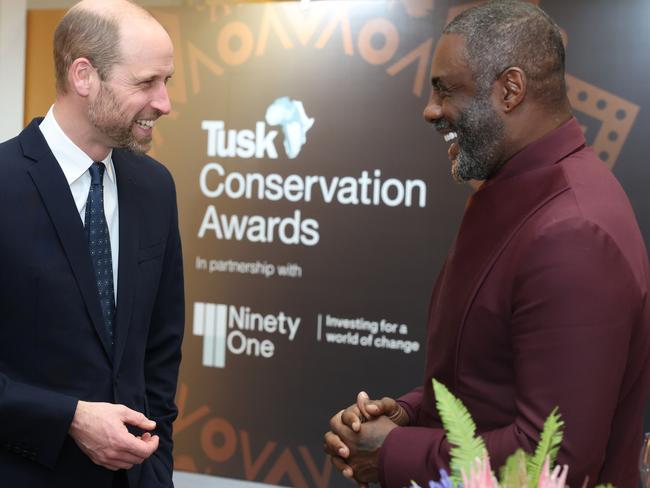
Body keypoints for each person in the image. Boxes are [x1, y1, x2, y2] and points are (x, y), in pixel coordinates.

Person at [324, 2, 650, 487]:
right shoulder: (516, 193)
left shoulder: (573, 232)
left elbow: (552, 459)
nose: (430, 109)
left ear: (511, 90)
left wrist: (394, 453)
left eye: (445, 89)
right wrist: (409, 414)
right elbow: (488, 383)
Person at [0, 1, 184, 487]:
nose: (164, 103)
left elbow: (160, 355)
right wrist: (68, 418)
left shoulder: (155, 188)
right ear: (84, 75)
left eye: (167, 82)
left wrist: (158, 467)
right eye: (147, 83)